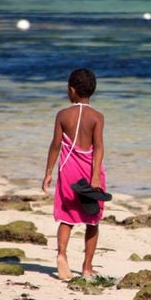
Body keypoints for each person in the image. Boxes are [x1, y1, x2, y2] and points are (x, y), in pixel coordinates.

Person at [42, 68, 106, 280]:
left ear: (72, 90)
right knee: (93, 220)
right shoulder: (97, 117)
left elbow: (55, 145)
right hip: (89, 171)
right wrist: (96, 175)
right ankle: (87, 267)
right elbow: (98, 147)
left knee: (67, 218)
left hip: (68, 170)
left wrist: (48, 173)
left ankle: (62, 255)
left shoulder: (62, 115)